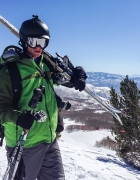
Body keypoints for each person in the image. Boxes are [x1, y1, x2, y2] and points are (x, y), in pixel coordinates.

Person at [0, 15, 87, 180]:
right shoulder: (9, 71)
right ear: (24, 41)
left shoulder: (45, 65)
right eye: (34, 42)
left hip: (50, 140)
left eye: (44, 42)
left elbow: (67, 79)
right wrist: (18, 118)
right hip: (24, 144)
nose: (39, 47)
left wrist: (78, 73)